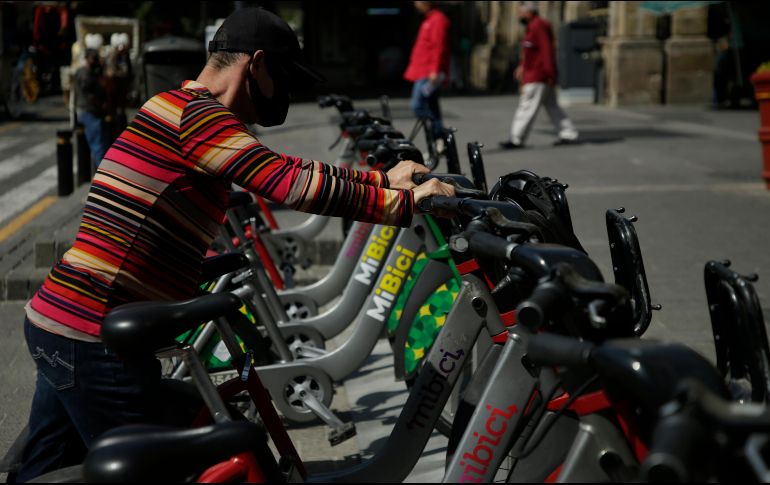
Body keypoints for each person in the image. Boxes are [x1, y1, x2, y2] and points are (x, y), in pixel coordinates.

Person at [17, 7, 455, 481]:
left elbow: (289, 168)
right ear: (257, 65)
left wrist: (382, 179)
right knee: (170, 466)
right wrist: (404, 205)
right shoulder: (200, 118)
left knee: (44, 468)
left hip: (62, 320)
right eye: (283, 77)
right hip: (96, 331)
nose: (285, 94)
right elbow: (289, 183)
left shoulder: (176, 105)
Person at [500, 1, 579, 149]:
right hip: (537, 74)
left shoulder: (539, 26)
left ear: (529, 12)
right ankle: (568, 133)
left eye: (521, 12)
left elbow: (546, 51)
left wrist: (550, 74)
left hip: (538, 75)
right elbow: (530, 51)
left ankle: (516, 138)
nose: (519, 15)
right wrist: (522, 67)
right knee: (552, 106)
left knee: (526, 106)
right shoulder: (531, 27)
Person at [404, 1, 451, 140]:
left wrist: (434, 70)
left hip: (428, 71)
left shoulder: (437, 20)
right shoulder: (429, 19)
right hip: (421, 69)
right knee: (432, 106)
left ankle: (438, 132)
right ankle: (438, 141)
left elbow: (438, 46)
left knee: (417, 105)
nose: (415, 4)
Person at [74, 47, 110, 166]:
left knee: (100, 146)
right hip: (89, 112)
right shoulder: (85, 74)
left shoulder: (89, 72)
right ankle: (102, 178)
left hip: (91, 112)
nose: (95, 61)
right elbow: (90, 94)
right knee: (99, 147)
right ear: (87, 59)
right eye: (93, 58)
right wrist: (102, 104)